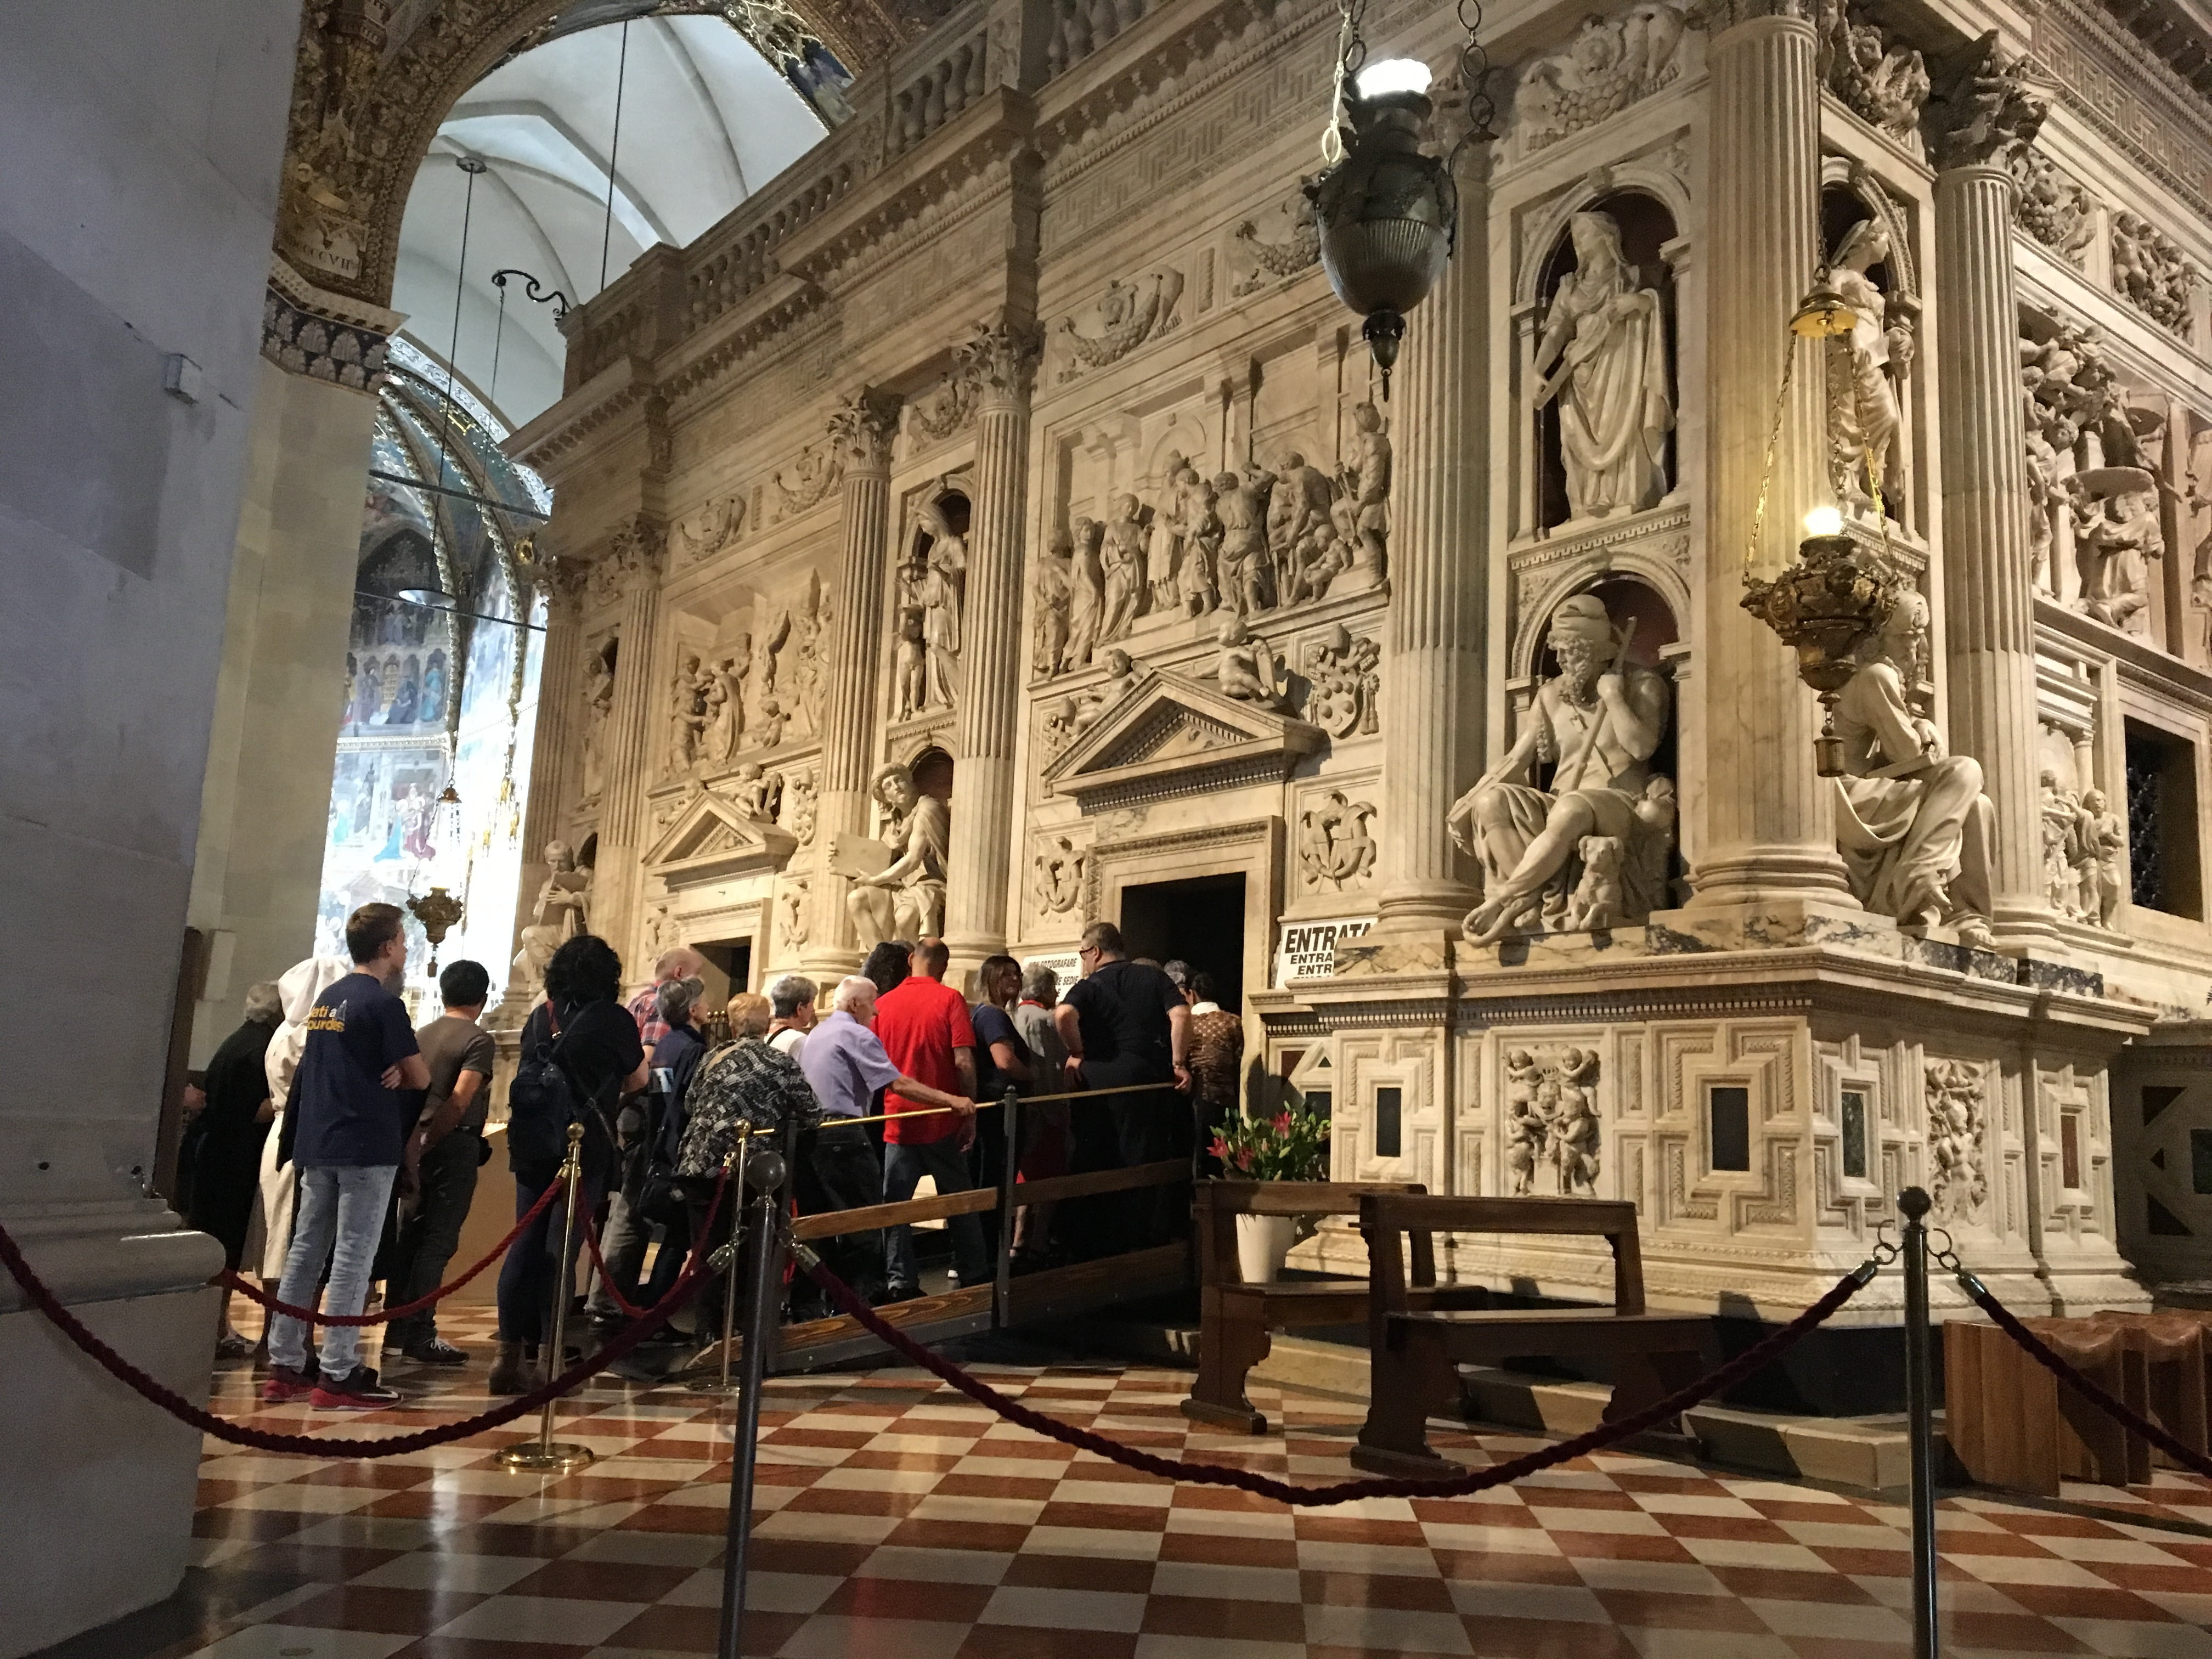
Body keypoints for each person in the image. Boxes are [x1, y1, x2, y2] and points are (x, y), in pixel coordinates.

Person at [261, 904, 431, 1409]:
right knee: (353, 1257)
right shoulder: (382, 1003)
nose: (405, 951)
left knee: (305, 1253)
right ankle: (338, 1372)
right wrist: (401, 1072)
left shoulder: (326, 1000)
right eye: (403, 942)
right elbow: (421, 1076)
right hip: (364, 1143)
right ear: (387, 947)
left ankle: (286, 1362)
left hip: (319, 1140)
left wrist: (394, 1068)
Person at [492, 934, 647, 1396]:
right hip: (583, 1145)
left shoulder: (541, 1015)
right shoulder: (613, 1019)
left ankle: (507, 1359)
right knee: (562, 1250)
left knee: (524, 1245)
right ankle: (551, 1359)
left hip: (533, 1143)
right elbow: (638, 1079)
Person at [794, 975, 961, 1314]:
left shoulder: (818, 1033)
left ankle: (810, 1306)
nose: (876, 1012)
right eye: (872, 1003)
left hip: (810, 1135)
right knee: (864, 1221)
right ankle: (861, 1303)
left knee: (817, 1226)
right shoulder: (856, 1034)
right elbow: (899, 1084)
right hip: (843, 1133)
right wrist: (952, 1100)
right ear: (855, 1004)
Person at [674, 992, 820, 1339]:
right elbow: (812, 1112)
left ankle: (708, 1328)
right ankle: (746, 1328)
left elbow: (690, 1103)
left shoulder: (713, 1057)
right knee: (753, 1251)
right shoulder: (778, 1062)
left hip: (700, 1165)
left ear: (733, 1025)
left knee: (708, 1251)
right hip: (752, 1171)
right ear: (766, 1023)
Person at [382, 960, 496, 1365]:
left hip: (411, 1141)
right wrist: (431, 1142)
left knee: (409, 1239)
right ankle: (421, 1332)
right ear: (483, 997)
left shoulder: (422, 1034)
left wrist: (414, 1145)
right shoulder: (479, 1039)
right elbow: (461, 1099)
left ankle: (395, 1332)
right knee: (438, 1240)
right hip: (450, 1144)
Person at [1054, 921, 1189, 1250]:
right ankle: (1141, 1240)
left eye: (1083, 954)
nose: (1084, 961)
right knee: (1144, 1158)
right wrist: (1178, 1063)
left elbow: (1063, 1015)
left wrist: (1077, 1052)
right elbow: (1182, 1015)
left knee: (1096, 1157)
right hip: (1147, 1081)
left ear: (1095, 952)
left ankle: (1094, 1242)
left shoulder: (1090, 985)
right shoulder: (1153, 976)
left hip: (1098, 1083)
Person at [588, 975, 706, 1329]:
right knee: (660, 1227)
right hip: (669, 1143)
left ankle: (626, 1302)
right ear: (693, 1009)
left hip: (654, 1136)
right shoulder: (691, 1047)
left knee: (639, 1218)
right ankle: (644, 1309)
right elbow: (687, 1101)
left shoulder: (667, 1043)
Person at [873, 938, 987, 1296]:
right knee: (960, 1202)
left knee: (895, 1208)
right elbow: (963, 1061)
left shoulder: (883, 1004)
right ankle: (973, 1272)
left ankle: (900, 1280)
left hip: (898, 1119)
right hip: (942, 1119)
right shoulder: (950, 999)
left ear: (911, 959)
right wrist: (969, 1110)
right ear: (944, 966)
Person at [182, 982, 281, 1357]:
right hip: (234, 1157)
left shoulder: (238, 1040)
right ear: (277, 1012)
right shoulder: (261, 1049)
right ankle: (216, 1329)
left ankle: (218, 1326)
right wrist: (288, 1100)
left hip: (216, 1152)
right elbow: (253, 1110)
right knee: (225, 1246)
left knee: (219, 1242)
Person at [251, 953, 352, 1304]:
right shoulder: (310, 1034)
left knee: (279, 1235)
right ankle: (287, 1326)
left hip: (283, 1131)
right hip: (304, 1132)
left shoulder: (284, 1031)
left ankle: (280, 1325)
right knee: (292, 1235)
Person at [967, 954, 1031, 1252]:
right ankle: (990, 1255)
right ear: (989, 978)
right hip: (999, 1114)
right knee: (995, 1181)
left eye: (1017, 974)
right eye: (1006, 974)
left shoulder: (986, 1014)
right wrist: (1033, 1074)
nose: (1014, 979)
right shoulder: (992, 1016)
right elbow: (1004, 1061)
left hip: (995, 1113)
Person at [1011, 962, 1070, 1268]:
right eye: (1054, 988)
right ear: (1044, 989)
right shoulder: (1046, 1020)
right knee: (1050, 1172)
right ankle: (1039, 1240)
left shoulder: (1013, 1015)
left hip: (1023, 1107)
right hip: (1047, 1108)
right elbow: (1054, 1067)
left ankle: (1019, 1239)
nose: (1057, 994)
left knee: (1025, 1173)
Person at [1183, 973, 1244, 1176]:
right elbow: (1238, 1059)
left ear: (1191, 994)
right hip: (1226, 1099)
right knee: (1222, 1157)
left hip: (1194, 1099)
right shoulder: (1233, 1022)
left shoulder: (1186, 1023)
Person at [628, 945, 708, 1049]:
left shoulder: (638, 1000)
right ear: (679, 973)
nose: (701, 979)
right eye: (697, 973)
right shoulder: (664, 1004)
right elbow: (651, 1054)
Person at [767, 974, 817, 1060]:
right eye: (812, 1004)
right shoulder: (799, 1041)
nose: (813, 1010)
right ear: (799, 1008)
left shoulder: (764, 1035)